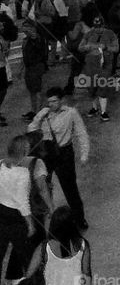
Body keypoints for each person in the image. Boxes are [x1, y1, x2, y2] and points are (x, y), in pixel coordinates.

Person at [28, 87, 90, 230]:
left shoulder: (71, 113)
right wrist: (38, 117)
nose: (51, 104)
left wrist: (84, 153)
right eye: (49, 101)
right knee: (42, 185)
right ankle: (44, 216)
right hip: (47, 154)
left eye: (54, 101)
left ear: (61, 100)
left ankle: (79, 219)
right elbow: (30, 130)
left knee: (70, 188)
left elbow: (81, 133)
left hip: (64, 153)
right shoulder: (44, 114)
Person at [0, 135, 34, 285]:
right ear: (24, 152)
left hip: (0, 212)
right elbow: (22, 202)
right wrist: (30, 224)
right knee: (25, 255)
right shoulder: (23, 173)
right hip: (16, 218)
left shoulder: (0, 164)